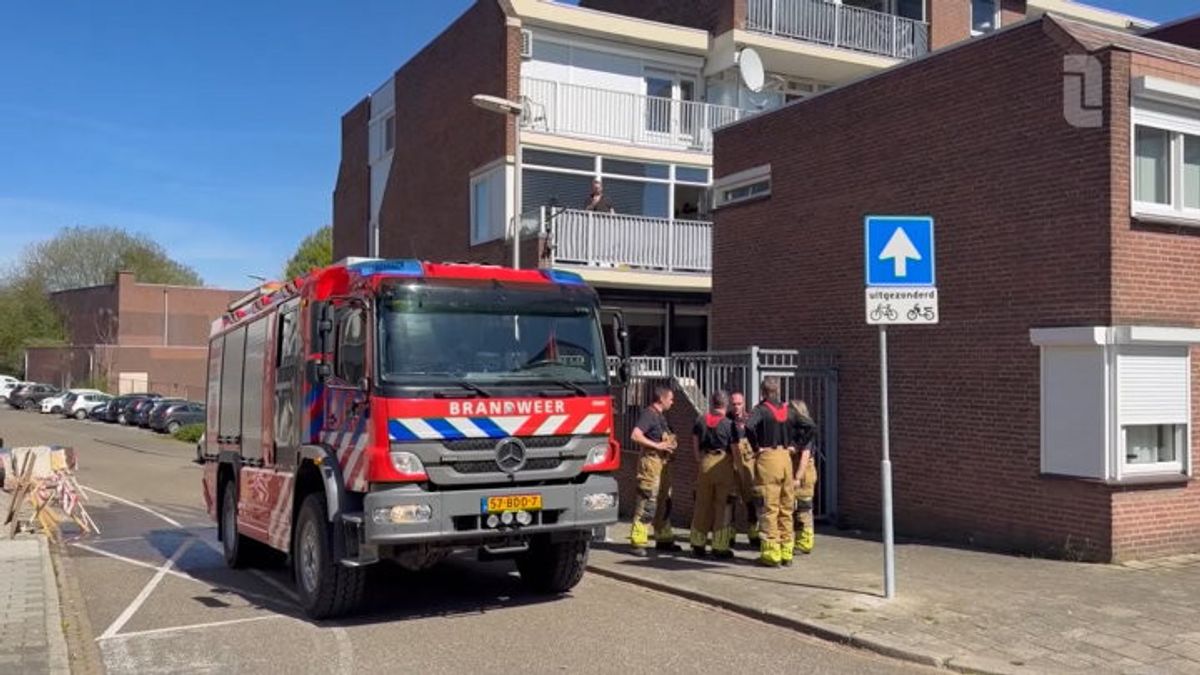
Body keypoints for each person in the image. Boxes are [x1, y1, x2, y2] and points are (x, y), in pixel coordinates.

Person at [743, 377, 806, 567]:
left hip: (769, 458)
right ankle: (787, 552)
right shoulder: (789, 410)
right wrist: (796, 444)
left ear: (763, 392)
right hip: (786, 458)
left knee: (769, 507)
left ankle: (771, 554)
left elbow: (749, 426)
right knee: (786, 507)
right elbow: (810, 427)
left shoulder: (761, 410)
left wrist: (756, 447)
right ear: (778, 390)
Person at [629, 385, 680, 556]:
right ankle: (638, 542)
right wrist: (657, 446)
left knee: (665, 501)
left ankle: (663, 538)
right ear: (661, 399)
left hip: (663, 464)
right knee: (647, 501)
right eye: (670, 399)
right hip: (651, 464)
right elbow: (635, 435)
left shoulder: (661, 417)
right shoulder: (648, 415)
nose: (672, 402)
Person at [688, 390, 737, 559]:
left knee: (702, 504)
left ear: (711, 403)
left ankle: (697, 544)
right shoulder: (729, 424)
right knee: (722, 506)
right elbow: (735, 449)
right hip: (723, 463)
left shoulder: (700, 420)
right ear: (726, 405)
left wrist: (699, 460)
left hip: (705, 463)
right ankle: (719, 546)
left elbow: (695, 444)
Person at [727, 391, 759, 549]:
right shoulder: (726, 421)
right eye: (733, 404)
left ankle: (753, 534)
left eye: (739, 404)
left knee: (751, 500)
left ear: (744, 404)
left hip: (748, 466)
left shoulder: (750, 421)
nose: (736, 407)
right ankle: (729, 535)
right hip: (730, 466)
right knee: (730, 501)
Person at [790, 400, 818, 555]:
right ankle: (799, 540)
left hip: (804, 474)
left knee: (804, 508)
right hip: (796, 471)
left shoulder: (806, 432)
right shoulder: (794, 430)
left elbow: (805, 457)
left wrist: (798, 477)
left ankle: (805, 542)